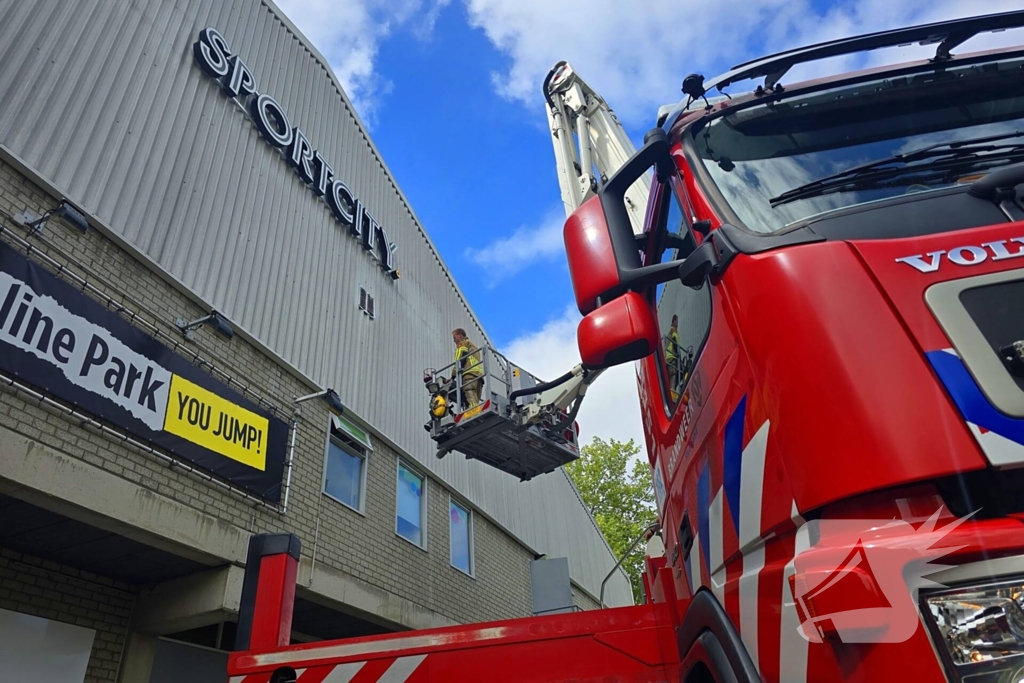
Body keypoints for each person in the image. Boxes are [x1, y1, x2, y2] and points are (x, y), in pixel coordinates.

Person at [451, 328, 483, 409]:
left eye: (454, 337)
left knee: (470, 392)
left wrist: (452, 377)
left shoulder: (462, 343)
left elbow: (459, 359)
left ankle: (473, 411)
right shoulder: (473, 346)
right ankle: (474, 409)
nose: (454, 341)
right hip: (479, 375)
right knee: (476, 397)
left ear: (460, 336)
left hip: (469, 373)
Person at [664, 315, 681, 398]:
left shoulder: (670, 331)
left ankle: (673, 394)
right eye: (677, 321)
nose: (677, 324)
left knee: (673, 376)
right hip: (672, 357)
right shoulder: (673, 330)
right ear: (674, 321)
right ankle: (673, 396)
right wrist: (677, 353)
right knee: (674, 375)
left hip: (669, 357)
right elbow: (674, 341)